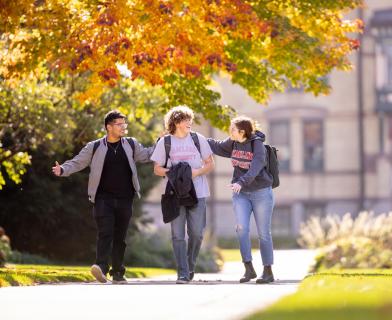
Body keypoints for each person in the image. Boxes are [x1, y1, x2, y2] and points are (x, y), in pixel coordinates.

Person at [52, 110, 154, 284]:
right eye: (119, 124)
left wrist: (163, 143)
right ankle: (100, 267)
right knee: (105, 232)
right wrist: (62, 169)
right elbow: (78, 162)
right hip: (102, 198)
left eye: (124, 124)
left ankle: (118, 273)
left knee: (120, 237)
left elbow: (146, 155)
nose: (123, 127)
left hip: (125, 198)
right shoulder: (95, 146)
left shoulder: (131, 144)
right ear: (109, 127)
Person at [207, 116, 275, 284]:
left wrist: (241, 182)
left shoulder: (257, 144)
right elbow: (216, 146)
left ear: (242, 132)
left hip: (261, 193)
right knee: (241, 229)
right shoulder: (233, 143)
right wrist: (194, 136)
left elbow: (256, 166)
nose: (230, 131)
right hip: (241, 194)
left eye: (232, 129)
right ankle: (249, 268)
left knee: (263, 233)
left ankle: (267, 271)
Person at [151, 106, 214, 284]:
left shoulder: (197, 139)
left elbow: (210, 164)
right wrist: (174, 173)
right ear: (176, 122)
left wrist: (196, 172)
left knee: (197, 233)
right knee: (178, 235)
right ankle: (183, 273)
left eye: (190, 120)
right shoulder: (165, 142)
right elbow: (156, 169)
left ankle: (190, 264)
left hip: (198, 193)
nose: (190, 123)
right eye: (186, 120)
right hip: (175, 194)